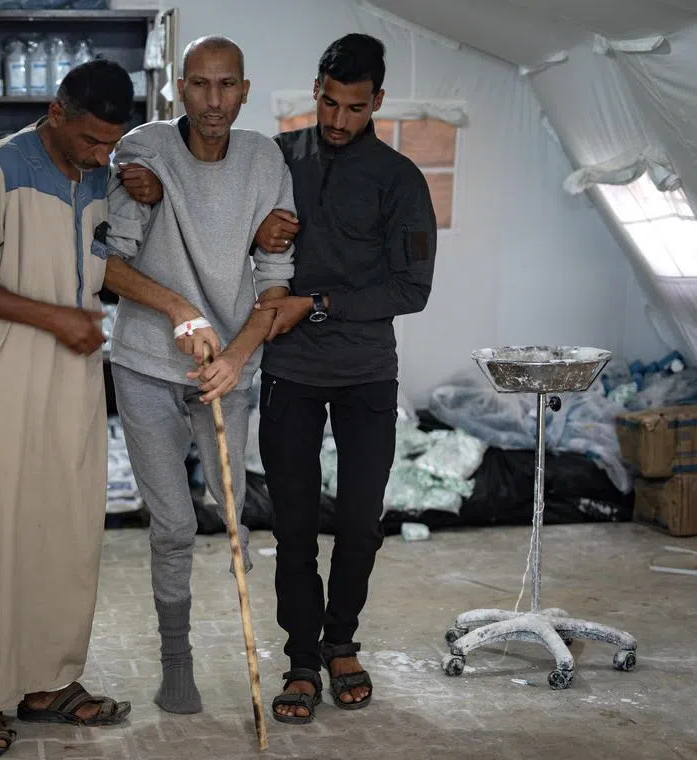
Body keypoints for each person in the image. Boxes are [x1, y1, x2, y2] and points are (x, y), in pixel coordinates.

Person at [0, 59, 135, 757]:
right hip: (3, 379)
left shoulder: (101, 174)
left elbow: (102, 262)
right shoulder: (3, 167)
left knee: (67, 531)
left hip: (71, 378)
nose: (101, 156)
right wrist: (54, 317)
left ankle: (49, 684)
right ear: (55, 113)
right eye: (91, 141)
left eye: (111, 143)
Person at [101, 36, 295, 715]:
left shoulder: (264, 159)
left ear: (245, 90)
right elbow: (108, 265)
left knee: (234, 514)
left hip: (229, 365)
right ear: (179, 88)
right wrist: (180, 309)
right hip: (148, 361)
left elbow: (275, 281)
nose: (214, 101)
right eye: (201, 85)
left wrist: (237, 357)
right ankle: (175, 664)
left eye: (227, 85)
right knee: (174, 525)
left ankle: (253, 643)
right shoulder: (143, 150)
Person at [253, 33, 438, 719]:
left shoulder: (400, 179)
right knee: (294, 526)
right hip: (290, 369)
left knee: (360, 523)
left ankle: (341, 643)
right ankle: (302, 658)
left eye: (355, 108)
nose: (337, 120)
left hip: (366, 373)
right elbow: (228, 226)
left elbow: (412, 289)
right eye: (329, 103)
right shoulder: (276, 157)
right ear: (316, 90)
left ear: (377, 101)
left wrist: (317, 303)